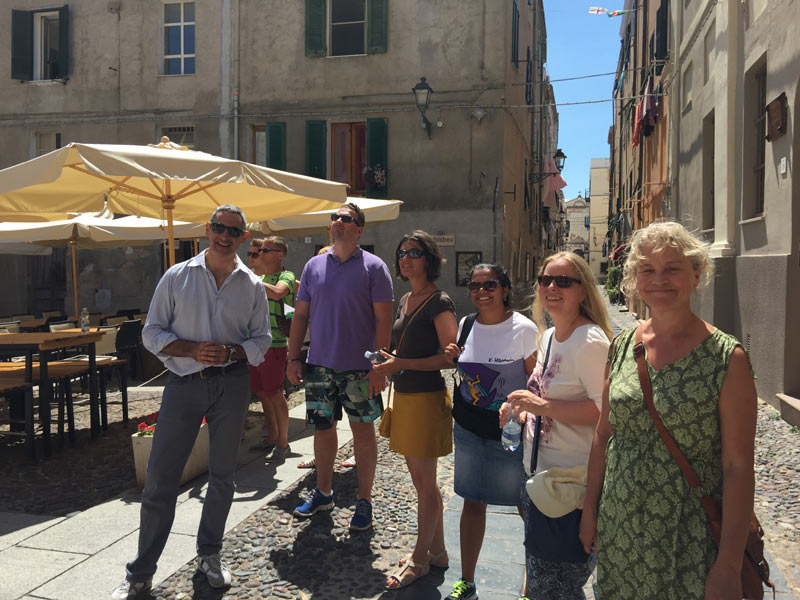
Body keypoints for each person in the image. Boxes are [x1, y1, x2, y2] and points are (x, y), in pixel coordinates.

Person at [579, 222, 758, 599]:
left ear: (696, 274)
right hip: (620, 529)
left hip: (688, 539)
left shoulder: (727, 359)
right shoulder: (622, 346)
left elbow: (738, 468)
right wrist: (589, 510)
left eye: (672, 268)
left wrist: (729, 565)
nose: (659, 280)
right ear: (635, 279)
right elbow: (604, 434)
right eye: (647, 269)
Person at [111, 205, 271, 599]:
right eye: (218, 227)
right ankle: (141, 572)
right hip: (183, 384)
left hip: (231, 384)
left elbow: (262, 339)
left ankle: (210, 554)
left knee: (223, 476)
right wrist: (191, 349)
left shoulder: (252, 284)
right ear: (207, 229)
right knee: (160, 479)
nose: (224, 235)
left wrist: (232, 353)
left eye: (233, 230)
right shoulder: (176, 276)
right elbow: (151, 333)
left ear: (244, 237)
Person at [500, 252, 612, 599]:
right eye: (545, 280)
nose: (551, 287)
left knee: (556, 589)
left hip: (571, 487)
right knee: (543, 584)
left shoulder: (590, 341)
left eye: (563, 281)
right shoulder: (549, 336)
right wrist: (521, 411)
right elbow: (542, 397)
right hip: (539, 482)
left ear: (583, 290)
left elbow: (606, 414)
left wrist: (541, 406)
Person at [286, 202, 393, 531]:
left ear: (359, 229)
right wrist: (293, 357)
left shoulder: (374, 267)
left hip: (360, 369)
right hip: (319, 365)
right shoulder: (313, 265)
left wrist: (378, 366)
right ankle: (323, 492)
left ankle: (364, 500)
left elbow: (384, 319)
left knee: (363, 433)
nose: (338, 222)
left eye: (346, 218)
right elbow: (300, 315)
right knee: (322, 429)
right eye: (335, 217)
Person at [368, 231, 458, 590]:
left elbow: (449, 358)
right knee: (423, 483)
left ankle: (420, 560)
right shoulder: (407, 298)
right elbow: (404, 350)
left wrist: (400, 363)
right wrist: (388, 362)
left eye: (414, 253)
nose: (406, 258)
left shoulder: (439, 301)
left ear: (429, 259)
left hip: (425, 399)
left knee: (424, 485)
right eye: (402, 252)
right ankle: (438, 552)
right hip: (406, 396)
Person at [443, 263, 538, 600]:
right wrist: (454, 358)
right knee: (472, 501)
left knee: (525, 507)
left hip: (509, 433)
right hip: (470, 429)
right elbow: (467, 374)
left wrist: (523, 412)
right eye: (475, 285)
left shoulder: (524, 329)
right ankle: (467, 581)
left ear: (505, 289)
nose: (481, 292)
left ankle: (531, 588)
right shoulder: (466, 325)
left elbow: (535, 383)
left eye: (490, 285)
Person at [247, 236, 296, 462]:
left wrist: (248, 279)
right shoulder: (259, 278)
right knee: (262, 393)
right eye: (259, 251)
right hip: (255, 345)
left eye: (265, 250)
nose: (260, 254)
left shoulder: (286, 276)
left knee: (275, 394)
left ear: (280, 255)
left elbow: (277, 292)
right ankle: (272, 437)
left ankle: (283, 444)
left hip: (275, 344)